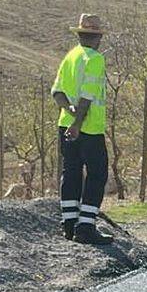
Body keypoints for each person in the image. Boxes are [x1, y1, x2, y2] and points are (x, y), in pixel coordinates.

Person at [51, 13, 110, 244]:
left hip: (65, 123)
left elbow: (57, 92)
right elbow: (87, 94)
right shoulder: (94, 59)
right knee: (97, 174)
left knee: (71, 171)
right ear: (97, 38)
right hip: (89, 128)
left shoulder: (70, 57)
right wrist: (79, 121)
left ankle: (69, 222)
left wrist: (70, 111)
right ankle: (85, 225)